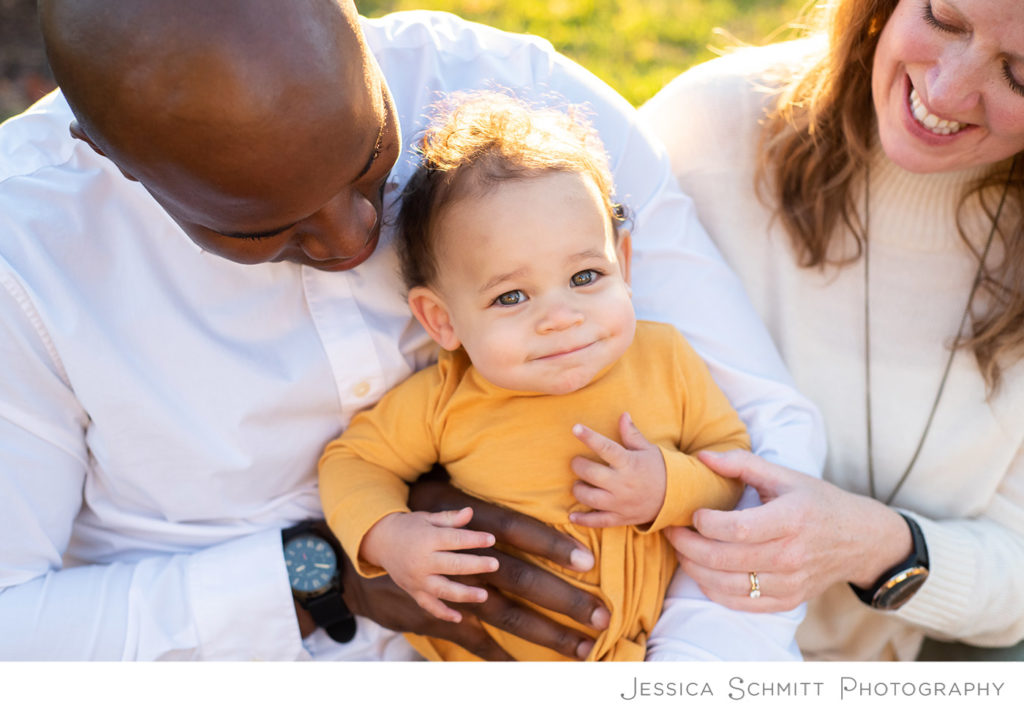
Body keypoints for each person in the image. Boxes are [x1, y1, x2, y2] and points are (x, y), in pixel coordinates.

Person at [0, 0, 821, 660]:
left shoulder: (525, 103)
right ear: (106, 153)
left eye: (372, 161)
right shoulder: (23, 253)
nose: (360, 240)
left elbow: (766, 454)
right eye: (267, 230)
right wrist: (325, 577)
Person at [640, 0, 1024, 661]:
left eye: (1019, 74)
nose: (944, 90)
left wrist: (876, 544)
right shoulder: (707, 126)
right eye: (942, 18)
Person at [318, 91, 750, 661]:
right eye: (512, 295)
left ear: (623, 262)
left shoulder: (664, 359)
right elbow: (352, 463)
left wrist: (667, 486)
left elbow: (730, 465)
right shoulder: (446, 397)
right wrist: (391, 537)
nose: (561, 318)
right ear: (441, 320)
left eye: (585, 275)